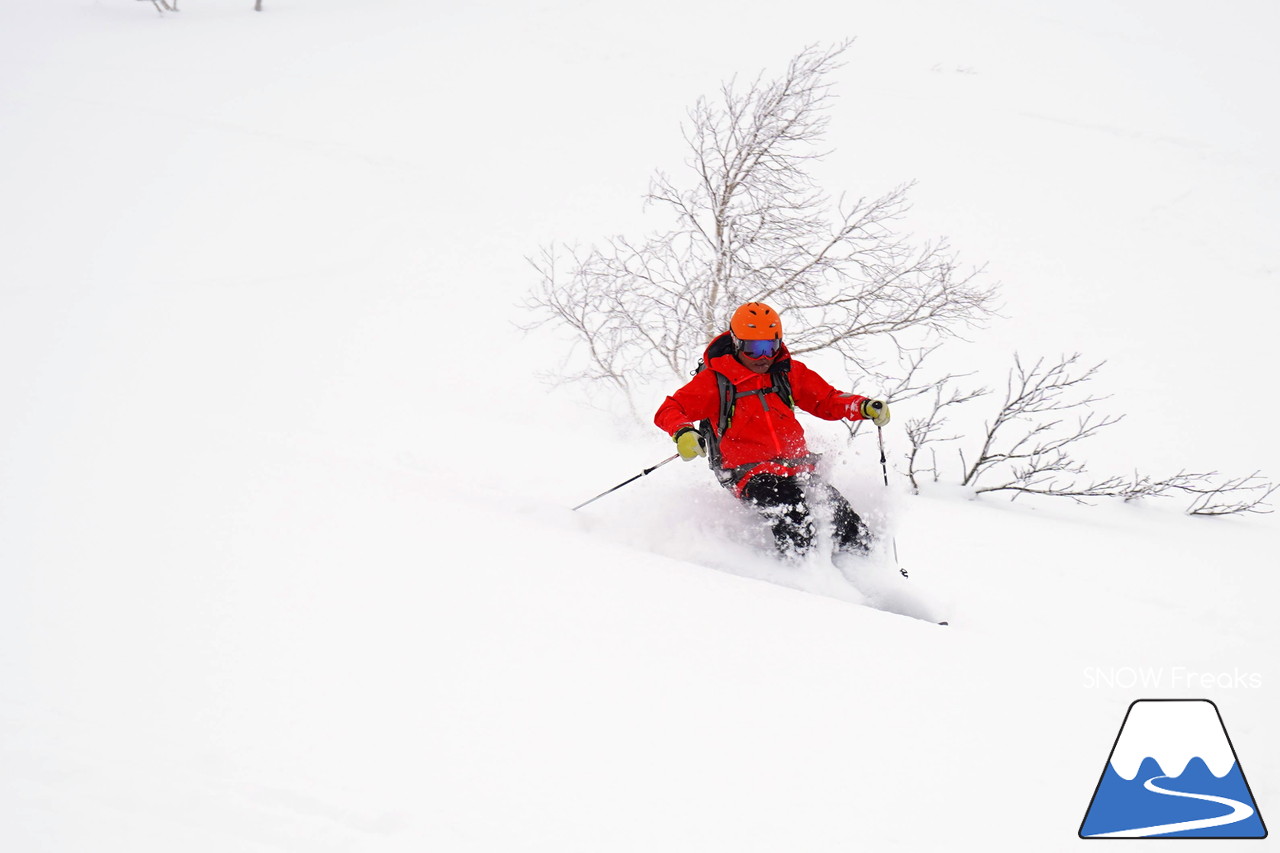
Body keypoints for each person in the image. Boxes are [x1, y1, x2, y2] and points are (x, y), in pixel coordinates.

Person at [654, 302, 890, 558]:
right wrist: (684, 432)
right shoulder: (716, 380)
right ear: (736, 342)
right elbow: (670, 408)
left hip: (796, 465)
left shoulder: (787, 373)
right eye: (755, 349)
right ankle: (803, 577)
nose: (764, 357)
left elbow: (827, 400)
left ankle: (869, 568)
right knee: (791, 509)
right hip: (748, 472)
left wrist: (862, 406)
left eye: (771, 346)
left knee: (838, 512)